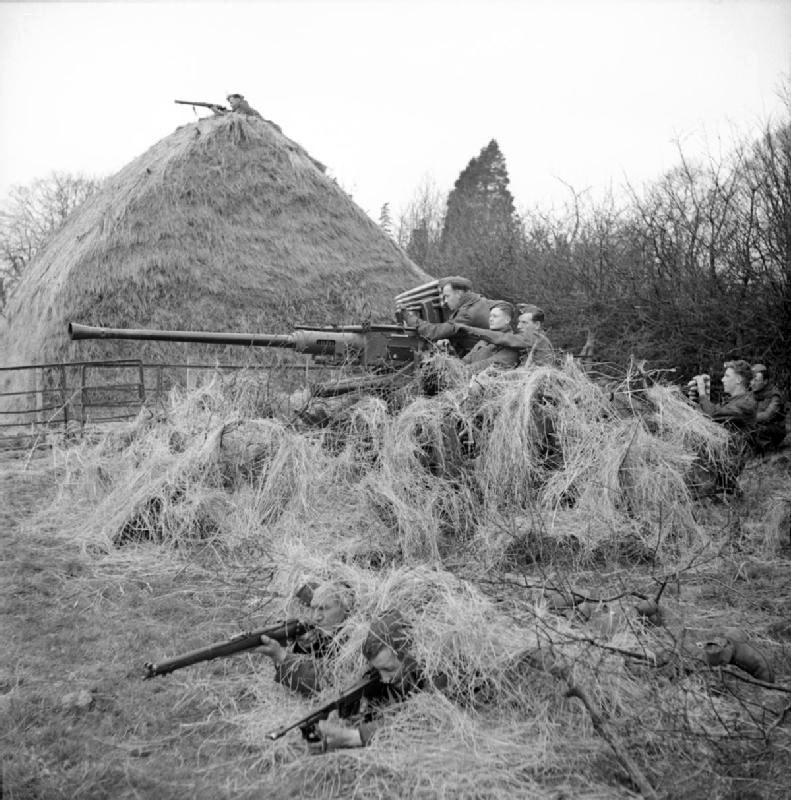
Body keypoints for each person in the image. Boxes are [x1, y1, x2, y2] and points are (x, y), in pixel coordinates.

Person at [311, 610, 437, 751]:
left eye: (388, 669)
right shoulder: (376, 677)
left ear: (410, 655)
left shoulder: (438, 673)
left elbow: (421, 719)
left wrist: (353, 736)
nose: (383, 679)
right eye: (378, 670)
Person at [259, 581, 353, 697]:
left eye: (324, 608)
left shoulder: (356, 639)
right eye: (314, 608)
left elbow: (327, 682)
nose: (316, 617)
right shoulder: (321, 636)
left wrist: (282, 656)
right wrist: (303, 648)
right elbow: (295, 688)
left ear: (346, 607)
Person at [402, 276, 492, 357]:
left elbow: (436, 332)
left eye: (447, 296)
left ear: (459, 293)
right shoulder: (479, 301)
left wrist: (410, 318)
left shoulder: (467, 314)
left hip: (475, 358)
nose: (444, 301)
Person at [454, 303, 554, 368]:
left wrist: (472, 330)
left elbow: (503, 338)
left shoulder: (535, 338)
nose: (519, 326)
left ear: (537, 325)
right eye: (519, 322)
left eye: (524, 323)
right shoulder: (531, 340)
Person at [691, 360, 757, 434]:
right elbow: (714, 410)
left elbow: (713, 414)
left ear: (738, 379)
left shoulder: (746, 405)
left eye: (727, 376)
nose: (722, 380)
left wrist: (702, 392)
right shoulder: (735, 400)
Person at [458, 301, 521, 374]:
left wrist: (462, 370)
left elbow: (491, 364)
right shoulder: (486, 338)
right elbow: (467, 358)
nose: (491, 319)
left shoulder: (511, 342)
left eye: (495, 316)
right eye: (490, 316)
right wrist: (456, 367)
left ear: (507, 320)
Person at [750, 363, 787, 452]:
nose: (752, 383)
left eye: (756, 380)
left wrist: (747, 417)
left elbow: (767, 415)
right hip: (757, 424)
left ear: (765, 381)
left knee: (756, 428)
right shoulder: (752, 393)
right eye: (751, 379)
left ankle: (768, 450)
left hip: (774, 429)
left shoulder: (775, 395)